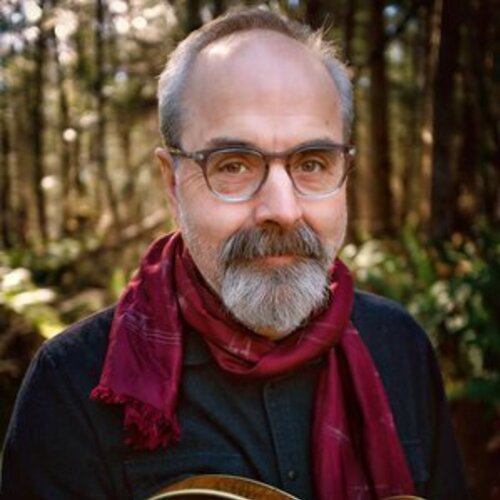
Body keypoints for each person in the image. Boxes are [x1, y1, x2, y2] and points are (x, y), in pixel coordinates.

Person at [1, 7, 467, 500]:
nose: (282, 210)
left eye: (312, 163)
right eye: (233, 166)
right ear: (171, 183)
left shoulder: (399, 347)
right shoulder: (71, 383)